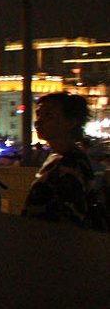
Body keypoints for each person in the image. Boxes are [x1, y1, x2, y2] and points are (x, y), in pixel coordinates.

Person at [23, 91, 109, 230]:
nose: (39, 121)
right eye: (39, 115)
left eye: (48, 115)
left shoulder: (70, 163)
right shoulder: (59, 157)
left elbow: (69, 218)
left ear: (71, 122)